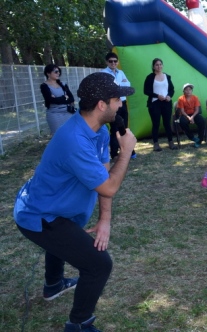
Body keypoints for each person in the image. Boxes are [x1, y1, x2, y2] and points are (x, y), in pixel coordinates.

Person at [14, 72, 136, 332]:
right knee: (99, 265)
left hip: (55, 208)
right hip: (38, 214)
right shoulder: (74, 140)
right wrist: (125, 152)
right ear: (102, 105)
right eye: (117, 99)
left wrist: (105, 220)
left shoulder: (100, 131)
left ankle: (54, 285)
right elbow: (110, 186)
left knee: (65, 231)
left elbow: (103, 178)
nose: (120, 104)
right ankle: (79, 324)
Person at [102, 52, 136, 160]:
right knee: (115, 128)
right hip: (112, 105)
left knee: (124, 127)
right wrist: (119, 87)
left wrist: (118, 87)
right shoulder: (103, 73)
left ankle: (128, 151)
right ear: (107, 62)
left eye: (115, 61)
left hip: (122, 103)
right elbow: (109, 89)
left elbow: (127, 85)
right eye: (111, 61)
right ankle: (114, 153)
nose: (113, 63)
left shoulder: (120, 72)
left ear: (118, 62)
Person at [143, 58, 176, 151]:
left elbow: (172, 89)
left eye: (160, 64)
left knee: (167, 123)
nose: (159, 66)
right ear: (153, 66)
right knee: (156, 124)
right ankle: (156, 144)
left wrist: (169, 96)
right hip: (154, 103)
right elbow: (146, 91)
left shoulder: (167, 76)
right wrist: (157, 96)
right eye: (157, 65)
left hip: (166, 103)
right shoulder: (150, 77)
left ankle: (171, 142)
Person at [40, 64, 75, 135]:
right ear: (48, 73)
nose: (58, 73)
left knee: (71, 134)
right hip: (54, 114)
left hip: (67, 112)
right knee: (58, 135)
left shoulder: (63, 84)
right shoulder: (44, 86)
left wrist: (58, 98)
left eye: (59, 71)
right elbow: (50, 100)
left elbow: (71, 98)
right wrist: (64, 97)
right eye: (55, 72)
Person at [175, 83, 205, 148]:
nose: (188, 91)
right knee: (182, 122)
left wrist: (192, 117)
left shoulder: (195, 97)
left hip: (194, 114)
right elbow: (182, 111)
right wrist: (188, 117)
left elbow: (197, 110)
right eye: (186, 90)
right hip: (185, 114)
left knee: (202, 120)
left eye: (190, 89)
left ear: (192, 91)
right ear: (183, 91)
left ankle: (200, 139)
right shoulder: (181, 99)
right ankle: (192, 137)